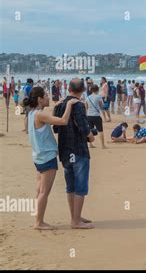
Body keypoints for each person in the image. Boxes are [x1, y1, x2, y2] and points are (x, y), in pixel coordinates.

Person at [24, 87, 78, 230]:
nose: (48, 97)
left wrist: (56, 106)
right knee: (44, 192)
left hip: (38, 155)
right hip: (46, 157)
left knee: (39, 190)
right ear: (40, 99)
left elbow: (51, 120)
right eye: (46, 96)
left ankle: (37, 218)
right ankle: (39, 222)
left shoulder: (32, 113)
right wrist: (68, 105)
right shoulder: (40, 115)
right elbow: (63, 121)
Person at [54, 78, 95, 229]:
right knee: (80, 186)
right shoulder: (77, 105)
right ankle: (75, 221)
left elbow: (56, 128)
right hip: (78, 149)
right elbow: (83, 126)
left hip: (65, 149)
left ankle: (75, 217)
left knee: (70, 186)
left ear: (69, 88)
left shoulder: (61, 104)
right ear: (83, 90)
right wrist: (91, 136)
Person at [85, 84, 106, 149]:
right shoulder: (98, 97)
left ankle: (90, 144)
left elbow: (86, 107)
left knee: (90, 130)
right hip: (96, 116)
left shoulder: (88, 97)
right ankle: (102, 145)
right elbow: (101, 107)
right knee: (100, 130)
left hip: (89, 116)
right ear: (97, 90)